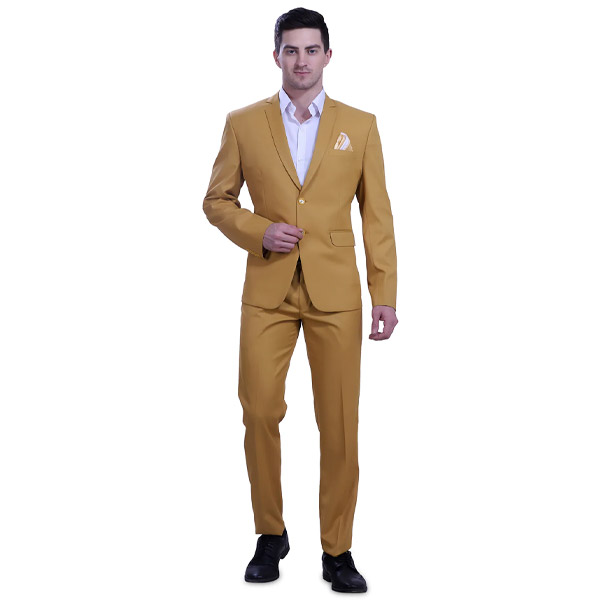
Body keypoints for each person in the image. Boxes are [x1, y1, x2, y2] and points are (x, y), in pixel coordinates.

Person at [203, 7, 397, 593]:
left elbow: (378, 215)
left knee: (338, 424)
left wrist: (384, 292)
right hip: (268, 289)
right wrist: (259, 230)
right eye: (291, 50)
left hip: (336, 292)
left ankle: (338, 549)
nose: (302, 60)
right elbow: (217, 201)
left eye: (312, 50)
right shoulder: (244, 123)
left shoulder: (360, 125)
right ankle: (271, 533)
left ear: (328, 56)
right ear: (276, 56)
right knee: (259, 410)